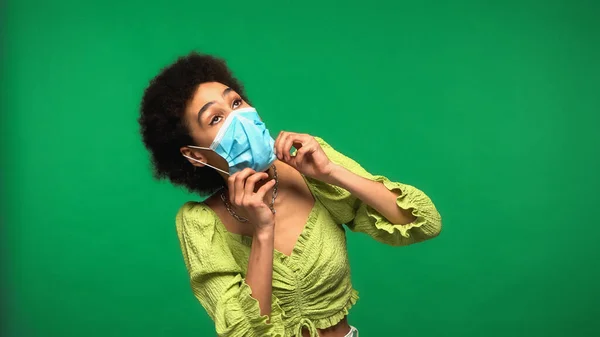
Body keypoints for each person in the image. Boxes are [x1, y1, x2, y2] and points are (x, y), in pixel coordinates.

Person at [138, 51, 442, 337]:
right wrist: (263, 230)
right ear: (195, 155)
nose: (237, 119)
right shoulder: (200, 223)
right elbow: (246, 332)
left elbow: (423, 222)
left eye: (235, 103)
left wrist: (330, 172)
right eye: (215, 119)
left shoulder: (310, 170)